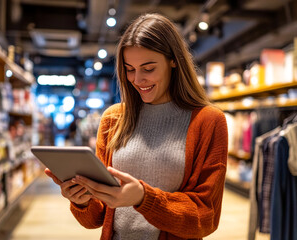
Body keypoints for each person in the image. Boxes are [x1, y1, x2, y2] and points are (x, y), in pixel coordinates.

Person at [45, 13, 228, 240]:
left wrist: (144, 199)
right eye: (129, 69)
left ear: (173, 60)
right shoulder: (114, 119)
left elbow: (205, 217)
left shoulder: (208, 121)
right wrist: (82, 199)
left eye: (148, 68)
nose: (137, 79)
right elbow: (96, 218)